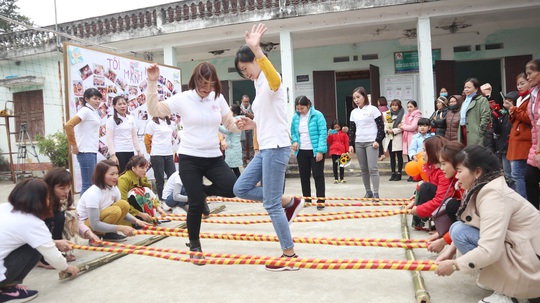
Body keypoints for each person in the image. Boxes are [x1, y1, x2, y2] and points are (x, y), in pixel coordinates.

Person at [146, 61, 240, 259]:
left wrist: (241, 124)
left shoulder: (218, 98)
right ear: (195, 81)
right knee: (196, 203)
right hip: (190, 157)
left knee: (233, 188)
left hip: (214, 157)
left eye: (211, 84)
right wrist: (152, 82)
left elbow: (229, 123)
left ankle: (201, 191)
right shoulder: (184, 98)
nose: (207, 88)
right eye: (203, 83)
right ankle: (195, 246)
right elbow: (155, 110)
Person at [233, 23, 304, 271]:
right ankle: (288, 201)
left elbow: (275, 78)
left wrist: (256, 49)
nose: (245, 74)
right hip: (265, 148)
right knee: (240, 188)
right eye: (241, 72)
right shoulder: (257, 84)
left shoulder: (270, 78)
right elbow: (269, 116)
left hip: (276, 148)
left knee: (270, 205)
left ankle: (289, 256)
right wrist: (252, 123)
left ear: (255, 60)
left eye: (245, 68)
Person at [434, 145, 540, 303]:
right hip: (522, 252)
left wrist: (455, 265)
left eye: (460, 171)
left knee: (461, 232)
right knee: (458, 229)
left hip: (531, 262)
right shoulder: (486, 188)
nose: (457, 176)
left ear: (477, 172)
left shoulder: (494, 196)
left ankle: (508, 292)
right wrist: (450, 252)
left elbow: (491, 249)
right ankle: (499, 281)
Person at [0, 179, 79, 303]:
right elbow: (52, 257)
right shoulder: (32, 222)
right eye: (48, 198)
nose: (50, 201)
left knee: (36, 243)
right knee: (35, 247)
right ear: (39, 201)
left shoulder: (4, 207)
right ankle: (7, 289)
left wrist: (55, 242)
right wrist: (67, 268)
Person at [77, 160, 150, 242]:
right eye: (112, 174)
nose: (115, 177)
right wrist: (121, 228)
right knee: (115, 211)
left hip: (101, 219)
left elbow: (124, 211)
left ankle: (108, 234)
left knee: (124, 204)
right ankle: (97, 235)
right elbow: (94, 224)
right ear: (101, 175)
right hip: (87, 226)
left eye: (116, 173)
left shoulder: (114, 188)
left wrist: (137, 221)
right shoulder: (93, 193)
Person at [426, 141, 465, 253]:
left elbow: (467, 222)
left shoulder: (467, 183)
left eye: (443, 164)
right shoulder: (453, 179)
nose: (441, 168)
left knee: (452, 205)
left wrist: (444, 240)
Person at [291, 95, 328, 210]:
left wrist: (320, 151)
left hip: (315, 150)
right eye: (298, 108)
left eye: (302, 108)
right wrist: (295, 141)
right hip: (301, 151)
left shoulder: (317, 115)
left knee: (318, 175)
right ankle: (307, 199)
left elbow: (323, 133)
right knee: (304, 176)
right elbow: (293, 132)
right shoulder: (295, 118)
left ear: (308, 105)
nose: (300, 111)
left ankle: (320, 200)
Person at [348, 86, 385, 199]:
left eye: (358, 97)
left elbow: (381, 127)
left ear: (364, 96)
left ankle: (376, 193)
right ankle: (368, 191)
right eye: (354, 98)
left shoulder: (373, 109)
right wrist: (351, 144)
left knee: (373, 168)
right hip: (359, 143)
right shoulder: (354, 112)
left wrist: (378, 141)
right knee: (363, 169)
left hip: (371, 143)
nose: (356, 100)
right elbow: (352, 130)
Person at [65, 87, 103, 195]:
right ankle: (83, 211)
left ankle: (88, 209)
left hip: (92, 150)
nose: (97, 101)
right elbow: (68, 125)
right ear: (86, 99)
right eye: (94, 98)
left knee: (92, 183)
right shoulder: (85, 111)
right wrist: (74, 145)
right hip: (85, 151)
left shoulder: (94, 112)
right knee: (88, 184)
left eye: (99, 99)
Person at [504, 73, 531, 200]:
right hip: (517, 140)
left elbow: (528, 118)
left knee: (517, 175)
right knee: (515, 174)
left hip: (524, 141)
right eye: (518, 84)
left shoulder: (531, 98)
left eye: (522, 83)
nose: (519, 87)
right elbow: (516, 121)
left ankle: (523, 201)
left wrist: (514, 109)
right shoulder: (520, 99)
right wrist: (512, 111)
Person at [117, 156, 160, 225]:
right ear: (133, 168)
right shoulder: (123, 180)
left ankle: (150, 217)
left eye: (146, 167)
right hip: (127, 213)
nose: (145, 170)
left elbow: (149, 194)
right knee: (135, 191)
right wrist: (140, 214)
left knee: (145, 190)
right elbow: (122, 203)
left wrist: (157, 207)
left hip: (140, 210)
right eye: (142, 168)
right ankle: (136, 220)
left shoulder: (143, 177)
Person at [106, 96, 143, 172]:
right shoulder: (111, 120)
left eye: (124, 103)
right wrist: (113, 155)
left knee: (131, 174)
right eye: (119, 104)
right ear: (114, 106)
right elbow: (109, 138)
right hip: (118, 152)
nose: (122, 106)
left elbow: (134, 137)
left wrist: (139, 151)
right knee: (121, 175)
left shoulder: (131, 118)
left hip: (130, 151)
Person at [144, 116, 176, 201]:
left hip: (168, 153)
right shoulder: (152, 123)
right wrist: (151, 152)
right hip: (157, 154)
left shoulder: (169, 123)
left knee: (173, 177)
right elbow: (147, 140)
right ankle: (162, 200)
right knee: (160, 179)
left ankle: (173, 198)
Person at [525, 59, 540, 209]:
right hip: (535, 145)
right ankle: (535, 217)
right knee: (529, 178)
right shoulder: (533, 94)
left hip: (538, 147)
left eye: (530, 73)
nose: (528, 77)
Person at [459, 78, 491, 146]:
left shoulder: (482, 100)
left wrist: (481, 131)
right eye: (465, 87)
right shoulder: (465, 101)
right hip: (463, 129)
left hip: (475, 132)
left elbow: (485, 116)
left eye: (469, 87)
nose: (466, 89)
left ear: (476, 88)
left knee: (475, 152)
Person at [400, 100, 422, 181]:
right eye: (408, 107)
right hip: (407, 137)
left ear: (415, 107)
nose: (409, 108)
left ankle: (416, 174)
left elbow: (413, 127)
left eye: (411, 107)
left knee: (414, 156)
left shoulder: (417, 115)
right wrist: (404, 126)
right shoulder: (407, 116)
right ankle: (411, 174)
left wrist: (403, 126)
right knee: (409, 156)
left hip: (413, 136)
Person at [219, 104, 244, 178]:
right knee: (233, 168)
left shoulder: (236, 121)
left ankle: (236, 184)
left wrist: (216, 125)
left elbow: (227, 131)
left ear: (235, 113)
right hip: (232, 147)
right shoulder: (235, 120)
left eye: (230, 111)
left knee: (231, 168)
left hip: (233, 148)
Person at [384, 99, 405, 181]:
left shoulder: (402, 114)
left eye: (396, 105)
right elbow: (385, 124)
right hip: (389, 137)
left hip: (397, 136)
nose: (394, 107)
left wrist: (394, 130)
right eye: (393, 105)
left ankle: (399, 173)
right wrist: (387, 130)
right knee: (391, 156)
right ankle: (393, 173)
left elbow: (402, 126)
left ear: (399, 106)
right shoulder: (388, 114)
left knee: (399, 156)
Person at [327, 119, 349, 184]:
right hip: (334, 151)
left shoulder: (344, 134)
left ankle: (342, 178)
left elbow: (346, 142)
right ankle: (336, 178)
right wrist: (329, 136)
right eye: (335, 127)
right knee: (335, 165)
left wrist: (347, 151)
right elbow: (329, 142)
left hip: (342, 152)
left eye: (338, 127)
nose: (336, 129)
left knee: (342, 165)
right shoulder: (332, 133)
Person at [239, 94, 254, 166]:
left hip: (251, 128)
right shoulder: (239, 108)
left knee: (251, 145)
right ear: (242, 101)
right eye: (245, 101)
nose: (246, 103)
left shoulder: (252, 107)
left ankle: (252, 160)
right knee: (243, 145)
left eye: (247, 101)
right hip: (242, 129)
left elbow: (253, 116)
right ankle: (244, 160)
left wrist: (246, 113)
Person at [377, 96, 389, 161]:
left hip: (382, 127)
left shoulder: (380, 109)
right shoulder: (387, 108)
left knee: (378, 140)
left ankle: (381, 154)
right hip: (387, 126)